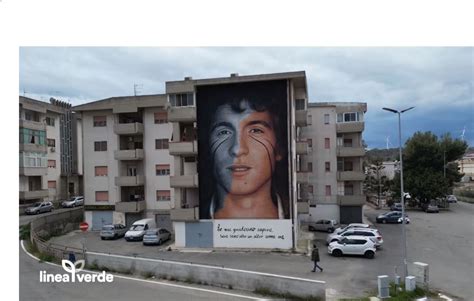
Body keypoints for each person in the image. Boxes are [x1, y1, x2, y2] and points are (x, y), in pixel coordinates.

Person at [198, 81, 289, 219]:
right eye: (224, 132)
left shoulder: (292, 223)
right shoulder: (196, 225)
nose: (237, 149)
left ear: (279, 148)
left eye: (256, 131)